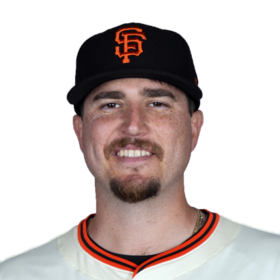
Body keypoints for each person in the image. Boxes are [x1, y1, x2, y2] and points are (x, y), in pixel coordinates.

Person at [0, 22, 279, 280]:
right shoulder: (16, 275)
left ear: (195, 127)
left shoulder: (272, 265)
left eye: (157, 104)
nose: (133, 126)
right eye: (110, 105)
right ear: (80, 130)